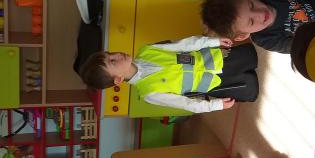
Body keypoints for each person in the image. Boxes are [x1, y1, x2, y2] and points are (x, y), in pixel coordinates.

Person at [79, 36, 259, 113]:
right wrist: (215, 105)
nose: (117, 55)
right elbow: (185, 104)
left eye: (110, 54)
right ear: (118, 79)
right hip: (217, 84)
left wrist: (212, 41)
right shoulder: (149, 93)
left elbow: (184, 45)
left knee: (253, 55)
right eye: (112, 61)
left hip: (221, 59)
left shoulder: (147, 50)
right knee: (254, 88)